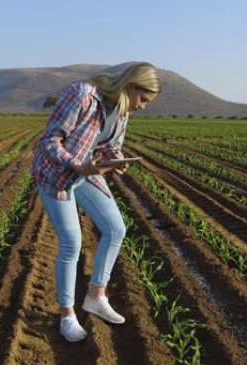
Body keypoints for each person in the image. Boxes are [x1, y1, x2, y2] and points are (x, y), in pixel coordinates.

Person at [31, 62, 160, 342]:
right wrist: (78, 166)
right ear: (131, 86)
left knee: (116, 229)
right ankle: (67, 316)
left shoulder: (122, 111)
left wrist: (115, 160)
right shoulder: (82, 95)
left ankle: (95, 297)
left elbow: (109, 145)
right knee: (71, 244)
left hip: (87, 172)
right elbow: (50, 141)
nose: (143, 106)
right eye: (143, 99)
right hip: (56, 175)